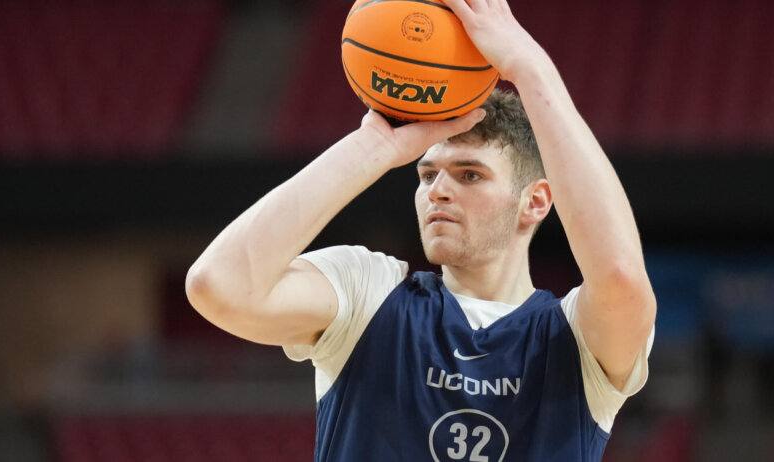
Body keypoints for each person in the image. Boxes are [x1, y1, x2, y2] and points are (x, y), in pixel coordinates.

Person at [186, 0, 656, 460]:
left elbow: (619, 276)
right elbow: (218, 286)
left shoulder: (575, 336)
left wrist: (531, 69)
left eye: (470, 174)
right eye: (428, 174)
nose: (438, 191)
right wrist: (374, 145)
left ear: (534, 202)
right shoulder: (368, 292)